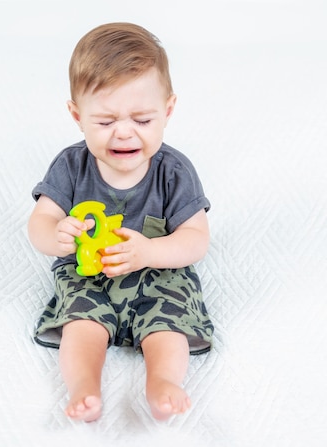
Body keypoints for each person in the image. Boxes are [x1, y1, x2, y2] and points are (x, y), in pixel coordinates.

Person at [27, 22, 214, 422]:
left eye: (142, 120)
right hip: (88, 275)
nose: (124, 133)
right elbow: (40, 221)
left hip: (157, 275)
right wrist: (56, 236)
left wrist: (150, 250)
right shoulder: (70, 166)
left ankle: (162, 381)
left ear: (167, 110)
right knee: (81, 326)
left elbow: (196, 238)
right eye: (105, 121)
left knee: (168, 327)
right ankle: (83, 386)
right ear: (77, 115)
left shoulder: (174, 171)